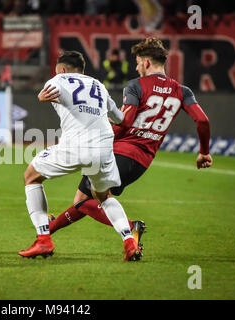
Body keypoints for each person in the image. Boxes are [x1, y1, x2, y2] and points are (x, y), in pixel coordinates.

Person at [47, 38, 213, 249]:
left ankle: (130, 227)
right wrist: (204, 152)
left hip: (119, 153)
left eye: (137, 62)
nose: (136, 67)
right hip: (142, 162)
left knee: (82, 200)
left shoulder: (136, 85)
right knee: (93, 199)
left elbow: (124, 124)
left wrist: (103, 127)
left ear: (145, 63)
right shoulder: (183, 91)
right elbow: (203, 120)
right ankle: (50, 228)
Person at [19, 51, 143, 261]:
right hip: (104, 148)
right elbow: (121, 119)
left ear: (63, 69)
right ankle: (130, 242)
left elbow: (44, 92)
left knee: (31, 176)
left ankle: (43, 239)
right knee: (103, 196)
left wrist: (40, 96)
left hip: (75, 146)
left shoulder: (58, 79)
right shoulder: (99, 86)